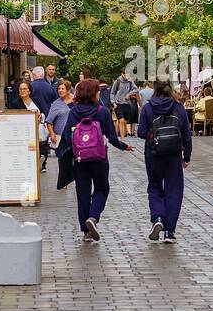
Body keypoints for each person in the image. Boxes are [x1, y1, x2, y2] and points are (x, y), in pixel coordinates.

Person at [57, 78, 133, 242]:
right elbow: (112, 137)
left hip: (80, 159)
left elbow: (67, 137)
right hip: (99, 158)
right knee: (101, 189)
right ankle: (93, 217)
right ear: (94, 93)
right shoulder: (102, 112)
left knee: (82, 192)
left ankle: (86, 232)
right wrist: (124, 146)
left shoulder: (73, 112)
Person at [138, 78, 192, 243]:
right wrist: (187, 155)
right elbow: (187, 134)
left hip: (154, 154)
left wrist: (151, 135)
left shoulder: (148, 108)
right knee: (174, 190)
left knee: (154, 186)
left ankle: (158, 218)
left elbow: (140, 132)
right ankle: (170, 230)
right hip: (174, 154)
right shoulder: (178, 107)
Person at [15, 80, 51, 173]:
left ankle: (42, 164)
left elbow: (44, 112)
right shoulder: (15, 103)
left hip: (39, 130)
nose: (22, 91)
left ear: (29, 91)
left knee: (41, 149)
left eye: (24, 89)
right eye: (20, 89)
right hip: (25, 132)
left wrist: (41, 116)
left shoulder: (36, 100)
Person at [47, 79, 74, 190]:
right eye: (59, 88)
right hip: (61, 136)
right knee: (62, 159)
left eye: (63, 88)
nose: (60, 90)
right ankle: (63, 181)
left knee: (76, 158)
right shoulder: (56, 104)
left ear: (68, 90)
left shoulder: (76, 101)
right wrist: (52, 134)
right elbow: (49, 121)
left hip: (74, 135)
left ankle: (75, 177)